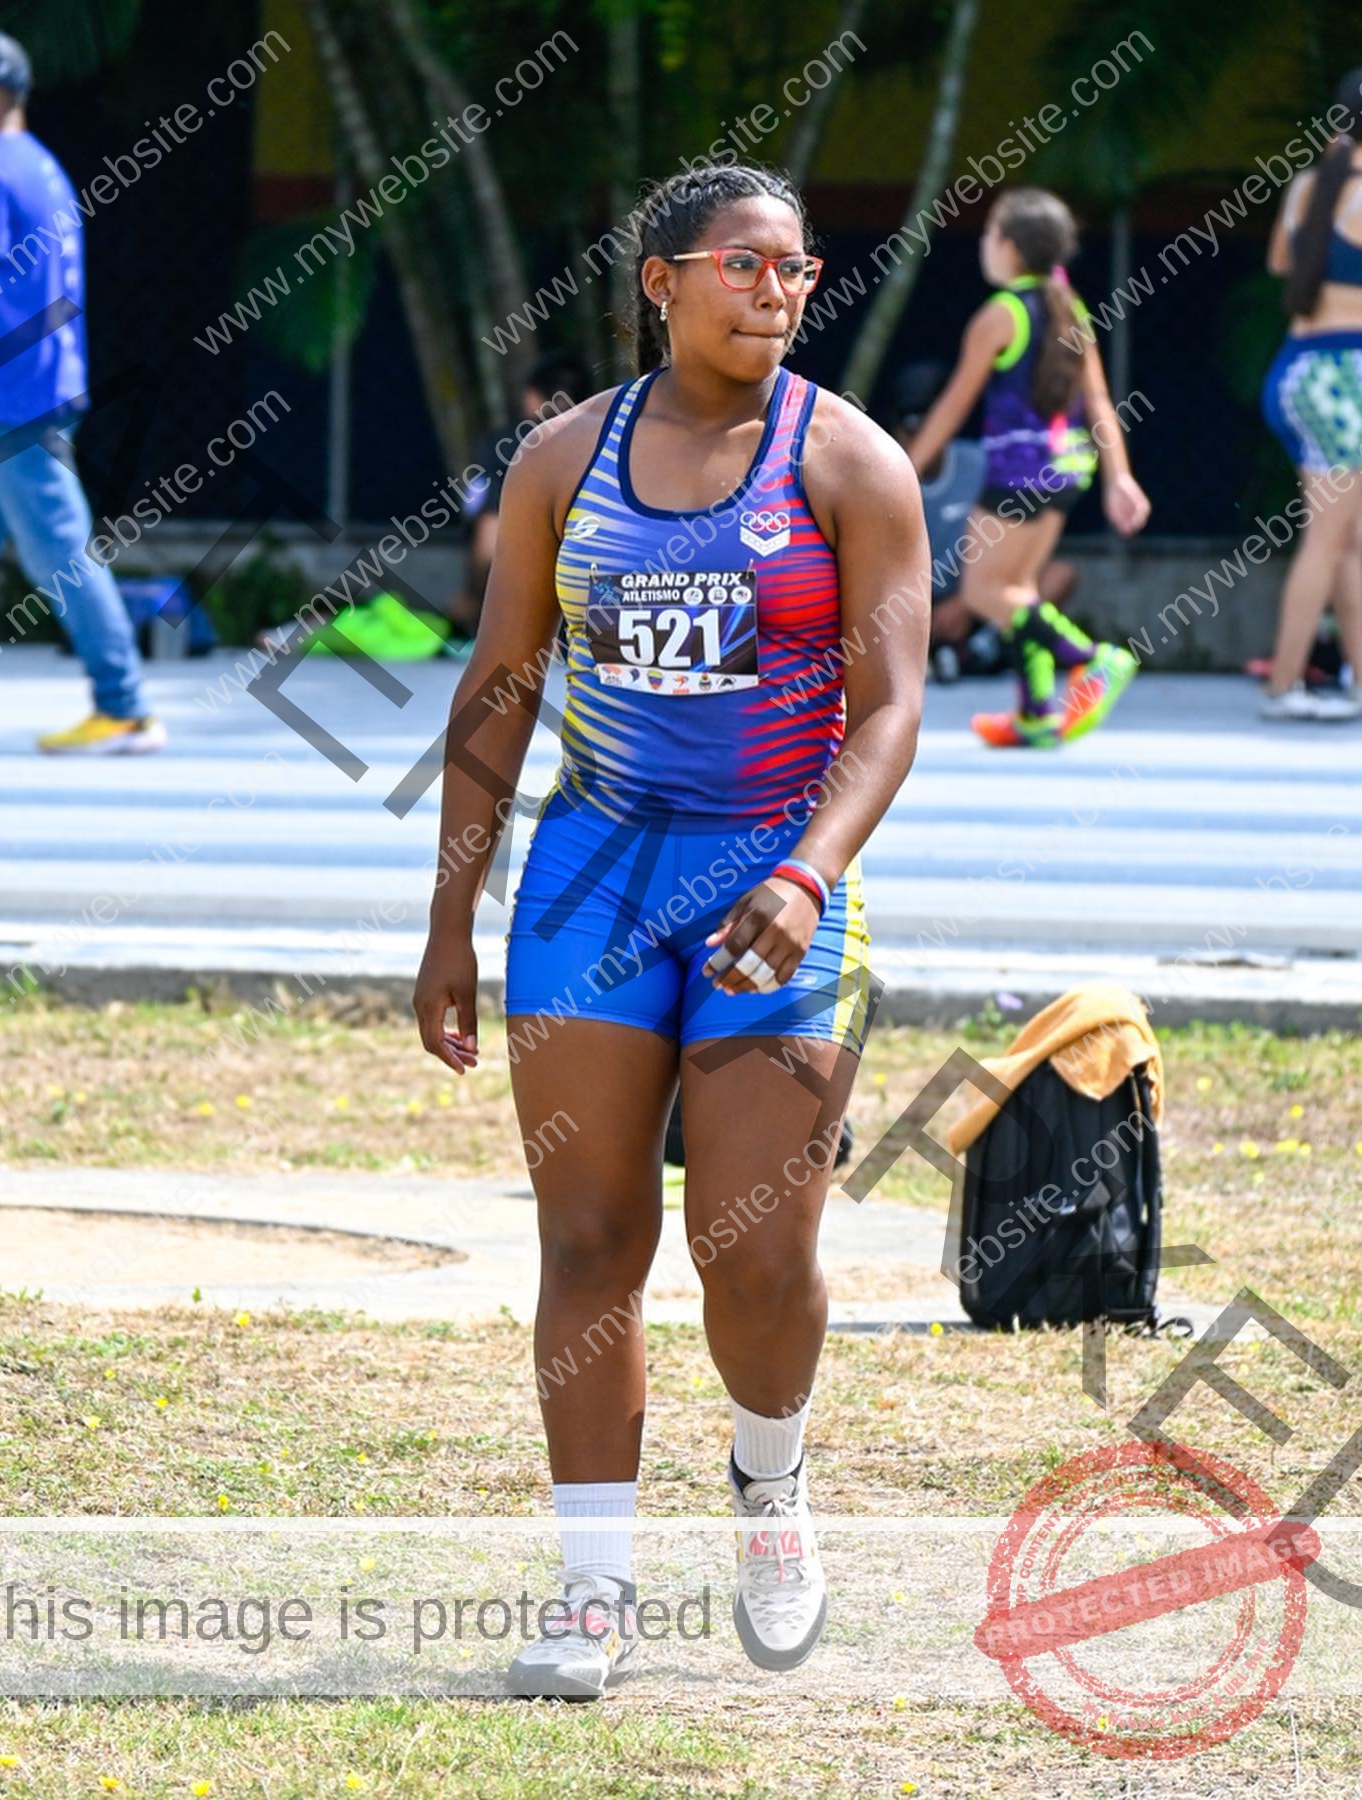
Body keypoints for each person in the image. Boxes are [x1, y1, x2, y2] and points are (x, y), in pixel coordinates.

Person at [412, 161, 929, 1698]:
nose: (778, 290)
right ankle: (593, 1588)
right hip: (594, 884)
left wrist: (812, 872)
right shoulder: (563, 463)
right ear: (661, 280)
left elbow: (895, 706)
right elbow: (499, 689)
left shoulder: (850, 463)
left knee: (755, 1258)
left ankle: (770, 1488)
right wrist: (452, 917)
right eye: (745, 265)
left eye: (797, 269)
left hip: (777, 882)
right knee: (587, 1241)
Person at [0, 26, 163, 752]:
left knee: (60, 551)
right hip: (15, 388)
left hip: (13, 404)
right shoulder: (39, 168)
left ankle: (124, 706)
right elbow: (26, 293)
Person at [906, 188, 1150, 747]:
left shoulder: (1000, 314)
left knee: (985, 591)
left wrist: (909, 466)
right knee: (1017, 587)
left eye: (991, 232)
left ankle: (1094, 659)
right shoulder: (1072, 306)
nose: (985, 244)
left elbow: (952, 405)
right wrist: (1120, 476)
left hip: (1018, 472)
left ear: (1011, 247)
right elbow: (1098, 402)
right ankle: (1037, 712)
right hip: (1068, 468)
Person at [1260, 66, 1362, 723]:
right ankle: (1284, 685)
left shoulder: (1306, 189)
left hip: (1297, 367)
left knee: (1348, 542)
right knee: (1328, 541)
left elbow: (1279, 263)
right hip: (1341, 380)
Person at [888, 359, 1078, 683]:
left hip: (977, 598)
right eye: (910, 428)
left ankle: (978, 650)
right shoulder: (883, 473)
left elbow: (1018, 546)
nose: (920, 440)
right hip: (913, 609)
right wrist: (925, 612)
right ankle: (964, 655)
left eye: (928, 427)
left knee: (1058, 576)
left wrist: (967, 603)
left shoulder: (979, 466)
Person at [450, 348, 593, 642]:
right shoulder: (610, 443)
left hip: (520, 592)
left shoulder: (509, 445)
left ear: (531, 398)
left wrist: (474, 598)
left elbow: (488, 538)